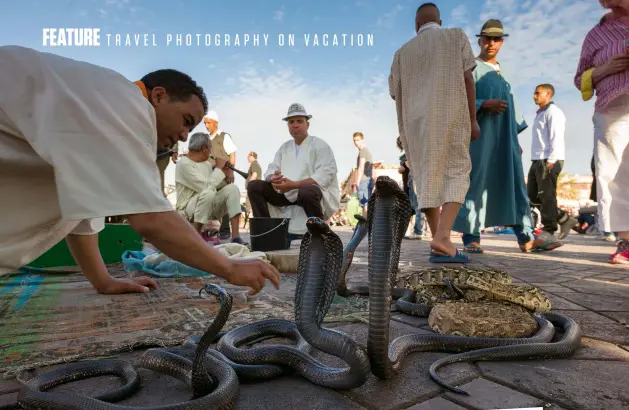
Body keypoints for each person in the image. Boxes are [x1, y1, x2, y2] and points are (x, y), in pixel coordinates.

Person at [0, 45, 280, 295]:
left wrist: (103, 281)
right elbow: (151, 219)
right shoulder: (126, 102)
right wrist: (229, 267)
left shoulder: (98, 113)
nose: (184, 136)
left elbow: (80, 218)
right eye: (185, 120)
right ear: (158, 96)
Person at [388, 3, 479, 262]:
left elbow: (395, 94)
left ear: (416, 26)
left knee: (424, 177)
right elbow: (468, 79)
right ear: (440, 20)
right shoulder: (455, 36)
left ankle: (439, 242)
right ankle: (443, 236)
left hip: (415, 124)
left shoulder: (401, 53)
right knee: (456, 171)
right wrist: (473, 120)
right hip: (449, 115)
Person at [452, 20, 552, 254]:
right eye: (487, 38)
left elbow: (513, 113)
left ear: (502, 42)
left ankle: (525, 237)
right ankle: (471, 238)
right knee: (476, 183)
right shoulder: (471, 69)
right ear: (479, 40)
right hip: (480, 139)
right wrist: (483, 104)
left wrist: (515, 142)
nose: (491, 43)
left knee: (514, 184)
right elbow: (457, 101)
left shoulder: (502, 76)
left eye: (496, 39)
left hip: (505, 142)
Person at [575, 0, 629, 264]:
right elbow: (580, 79)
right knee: (615, 173)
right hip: (612, 108)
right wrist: (606, 69)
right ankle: (626, 240)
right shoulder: (596, 34)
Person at [247, 103, 340, 240]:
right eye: (291, 122)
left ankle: (320, 235)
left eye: (299, 121)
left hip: (307, 196)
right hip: (285, 194)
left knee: (308, 190)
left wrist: (294, 185)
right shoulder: (284, 148)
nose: (295, 125)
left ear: (307, 124)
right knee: (254, 186)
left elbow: (324, 176)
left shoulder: (320, 145)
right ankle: (266, 235)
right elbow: (271, 168)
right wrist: (273, 178)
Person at [175, 132, 248, 246]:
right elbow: (205, 187)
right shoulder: (184, 164)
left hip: (207, 203)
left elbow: (216, 186)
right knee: (208, 193)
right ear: (204, 149)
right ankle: (196, 236)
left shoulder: (206, 164)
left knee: (232, 189)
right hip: (187, 209)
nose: (211, 152)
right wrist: (218, 168)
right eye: (210, 149)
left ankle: (235, 237)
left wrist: (225, 172)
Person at [528, 84, 576, 248]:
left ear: (548, 94)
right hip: (537, 159)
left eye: (537, 93)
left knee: (546, 195)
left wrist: (552, 159)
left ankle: (550, 232)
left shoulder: (553, 112)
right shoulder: (540, 113)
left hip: (548, 159)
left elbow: (557, 137)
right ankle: (563, 218)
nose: (534, 96)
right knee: (533, 196)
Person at [201, 110, 238, 240]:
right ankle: (210, 230)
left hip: (223, 173)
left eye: (209, 123)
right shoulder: (205, 139)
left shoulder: (223, 136)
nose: (206, 125)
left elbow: (232, 153)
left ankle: (225, 230)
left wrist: (231, 171)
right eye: (205, 123)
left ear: (215, 123)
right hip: (209, 175)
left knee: (226, 201)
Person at [397, 136, 425, 240]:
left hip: (414, 183)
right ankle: (406, 231)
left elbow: (410, 166)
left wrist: (404, 167)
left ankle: (418, 231)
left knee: (417, 207)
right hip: (408, 185)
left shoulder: (414, 154)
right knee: (409, 209)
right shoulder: (404, 156)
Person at [351, 132, 374, 217]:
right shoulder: (365, 151)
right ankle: (367, 225)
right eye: (354, 140)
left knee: (364, 204)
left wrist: (357, 181)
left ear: (362, 140)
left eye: (358, 140)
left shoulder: (363, 151)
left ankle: (366, 225)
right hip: (369, 179)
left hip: (364, 180)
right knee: (366, 203)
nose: (356, 142)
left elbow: (361, 167)